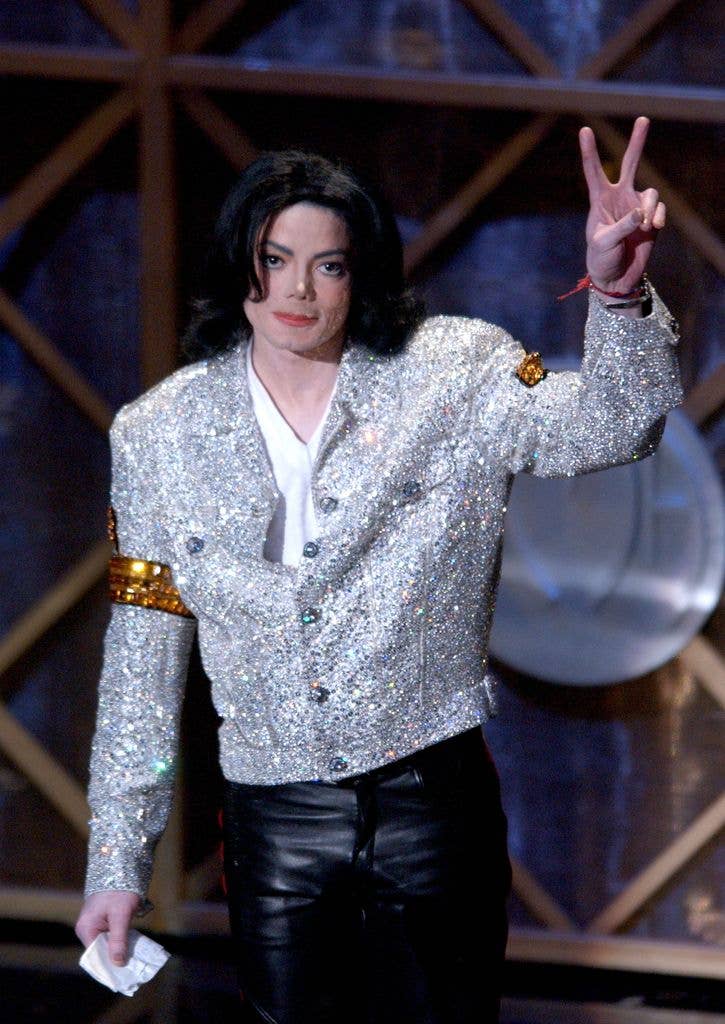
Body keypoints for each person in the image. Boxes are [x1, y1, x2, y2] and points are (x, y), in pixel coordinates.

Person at [75, 117, 682, 1022]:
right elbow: (142, 657)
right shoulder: (157, 433)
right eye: (272, 259)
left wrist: (616, 290)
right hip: (272, 818)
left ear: (361, 272)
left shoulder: (452, 372)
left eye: (327, 264)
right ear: (237, 260)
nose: (296, 290)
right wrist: (116, 862)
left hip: (431, 803)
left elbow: (609, 426)